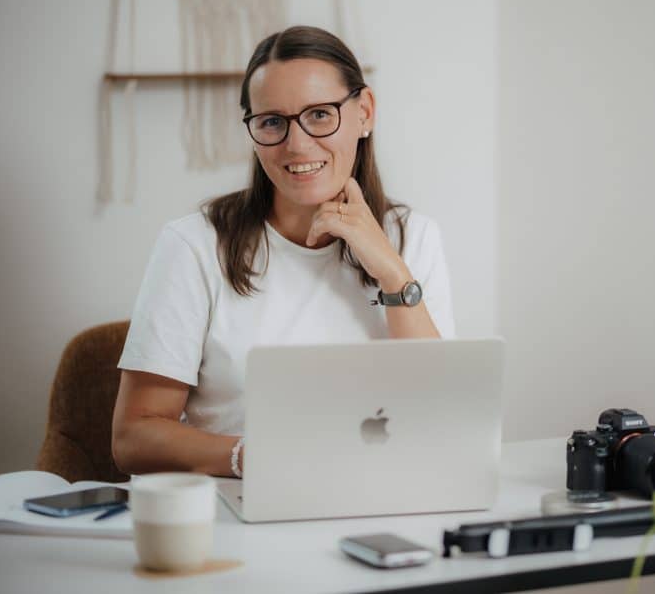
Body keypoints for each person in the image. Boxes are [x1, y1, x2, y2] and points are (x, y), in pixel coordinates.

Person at [111, 26, 454, 478]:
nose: (296, 144)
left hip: (383, 495)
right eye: (272, 121)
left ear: (364, 112)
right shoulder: (194, 246)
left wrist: (393, 274)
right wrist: (249, 457)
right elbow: (133, 437)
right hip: (242, 507)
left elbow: (445, 418)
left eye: (319, 114)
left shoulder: (414, 236)